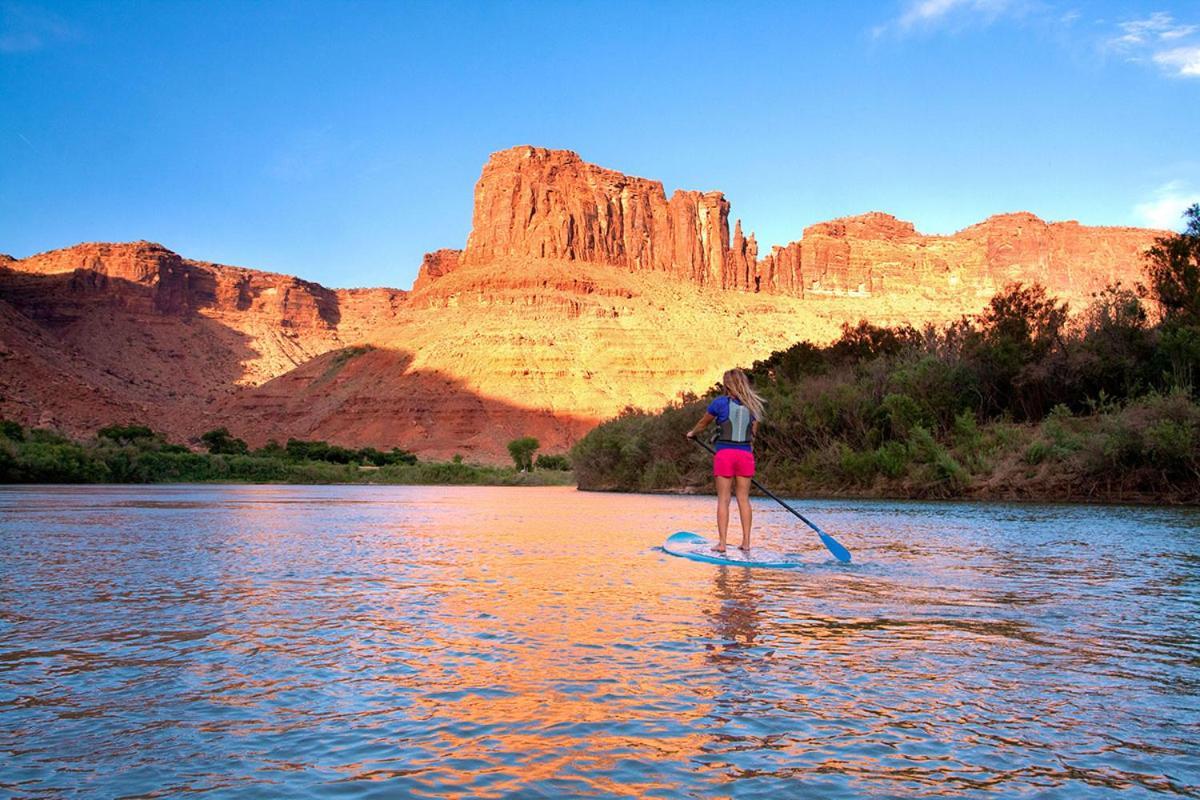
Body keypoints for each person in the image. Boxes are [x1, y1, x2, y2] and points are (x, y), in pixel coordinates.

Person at [685, 369, 765, 553]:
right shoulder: (753, 405)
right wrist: (747, 453)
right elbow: (753, 435)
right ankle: (746, 543)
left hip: (725, 455)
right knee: (743, 499)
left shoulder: (719, 403)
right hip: (745, 455)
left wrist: (692, 433)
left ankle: (722, 544)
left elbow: (703, 423)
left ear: (727, 384)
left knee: (724, 499)